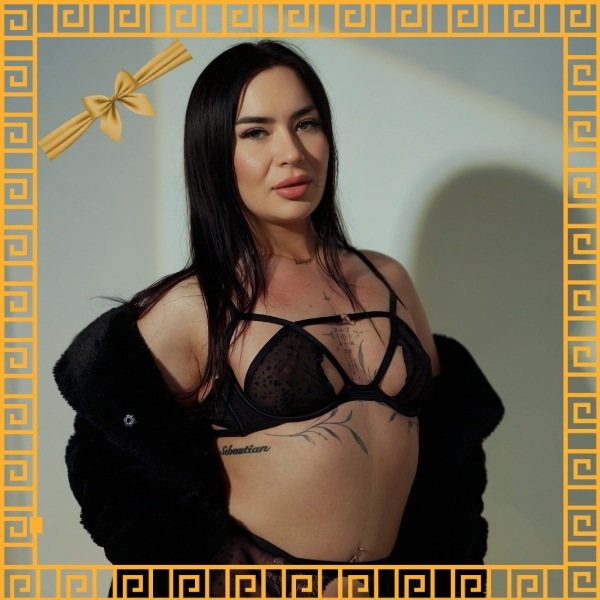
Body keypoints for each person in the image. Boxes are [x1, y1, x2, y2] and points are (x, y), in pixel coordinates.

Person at [55, 40, 504, 598]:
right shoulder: (197, 306)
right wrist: (225, 568)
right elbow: (105, 461)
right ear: (215, 153)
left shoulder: (388, 279)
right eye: (255, 132)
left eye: (306, 124)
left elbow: (449, 451)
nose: (291, 153)